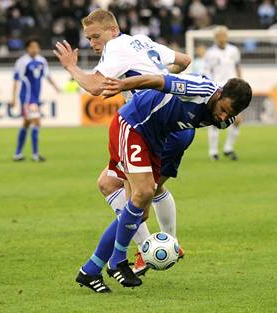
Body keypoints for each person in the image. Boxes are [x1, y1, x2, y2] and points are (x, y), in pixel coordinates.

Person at [53, 8, 192, 278]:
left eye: (96, 36)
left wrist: (71, 66)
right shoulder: (140, 40)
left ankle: (140, 251)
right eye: (89, 38)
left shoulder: (116, 47)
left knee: (130, 197)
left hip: (151, 126)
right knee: (142, 188)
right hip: (174, 124)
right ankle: (168, 243)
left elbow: (95, 87)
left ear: (113, 31)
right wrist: (158, 81)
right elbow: (184, 61)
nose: (92, 43)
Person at [88, 72, 251, 292]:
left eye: (230, 114)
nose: (223, 117)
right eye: (223, 109)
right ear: (219, 93)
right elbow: (158, 80)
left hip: (159, 139)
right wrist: (122, 85)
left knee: (139, 206)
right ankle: (117, 261)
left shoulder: (224, 119)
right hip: (135, 124)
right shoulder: (199, 89)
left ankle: (92, 269)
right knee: (141, 195)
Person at [11, 38, 60, 162]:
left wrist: (56, 87)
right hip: (27, 97)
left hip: (35, 97)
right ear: (27, 48)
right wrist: (14, 98)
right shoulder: (22, 62)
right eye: (32, 47)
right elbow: (16, 80)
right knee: (36, 122)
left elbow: (47, 75)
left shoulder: (41, 61)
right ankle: (35, 154)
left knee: (26, 123)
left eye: (37, 47)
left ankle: (18, 154)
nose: (35, 49)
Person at [203, 26, 243, 161]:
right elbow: (206, 71)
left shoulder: (234, 50)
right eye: (219, 36)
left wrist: (241, 83)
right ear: (215, 38)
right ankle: (213, 152)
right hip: (218, 90)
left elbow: (237, 67)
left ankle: (228, 148)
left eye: (224, 35)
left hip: (233, 89)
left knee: (237, 120)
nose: (222, 38)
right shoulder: (210, 53)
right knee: (215, 119)